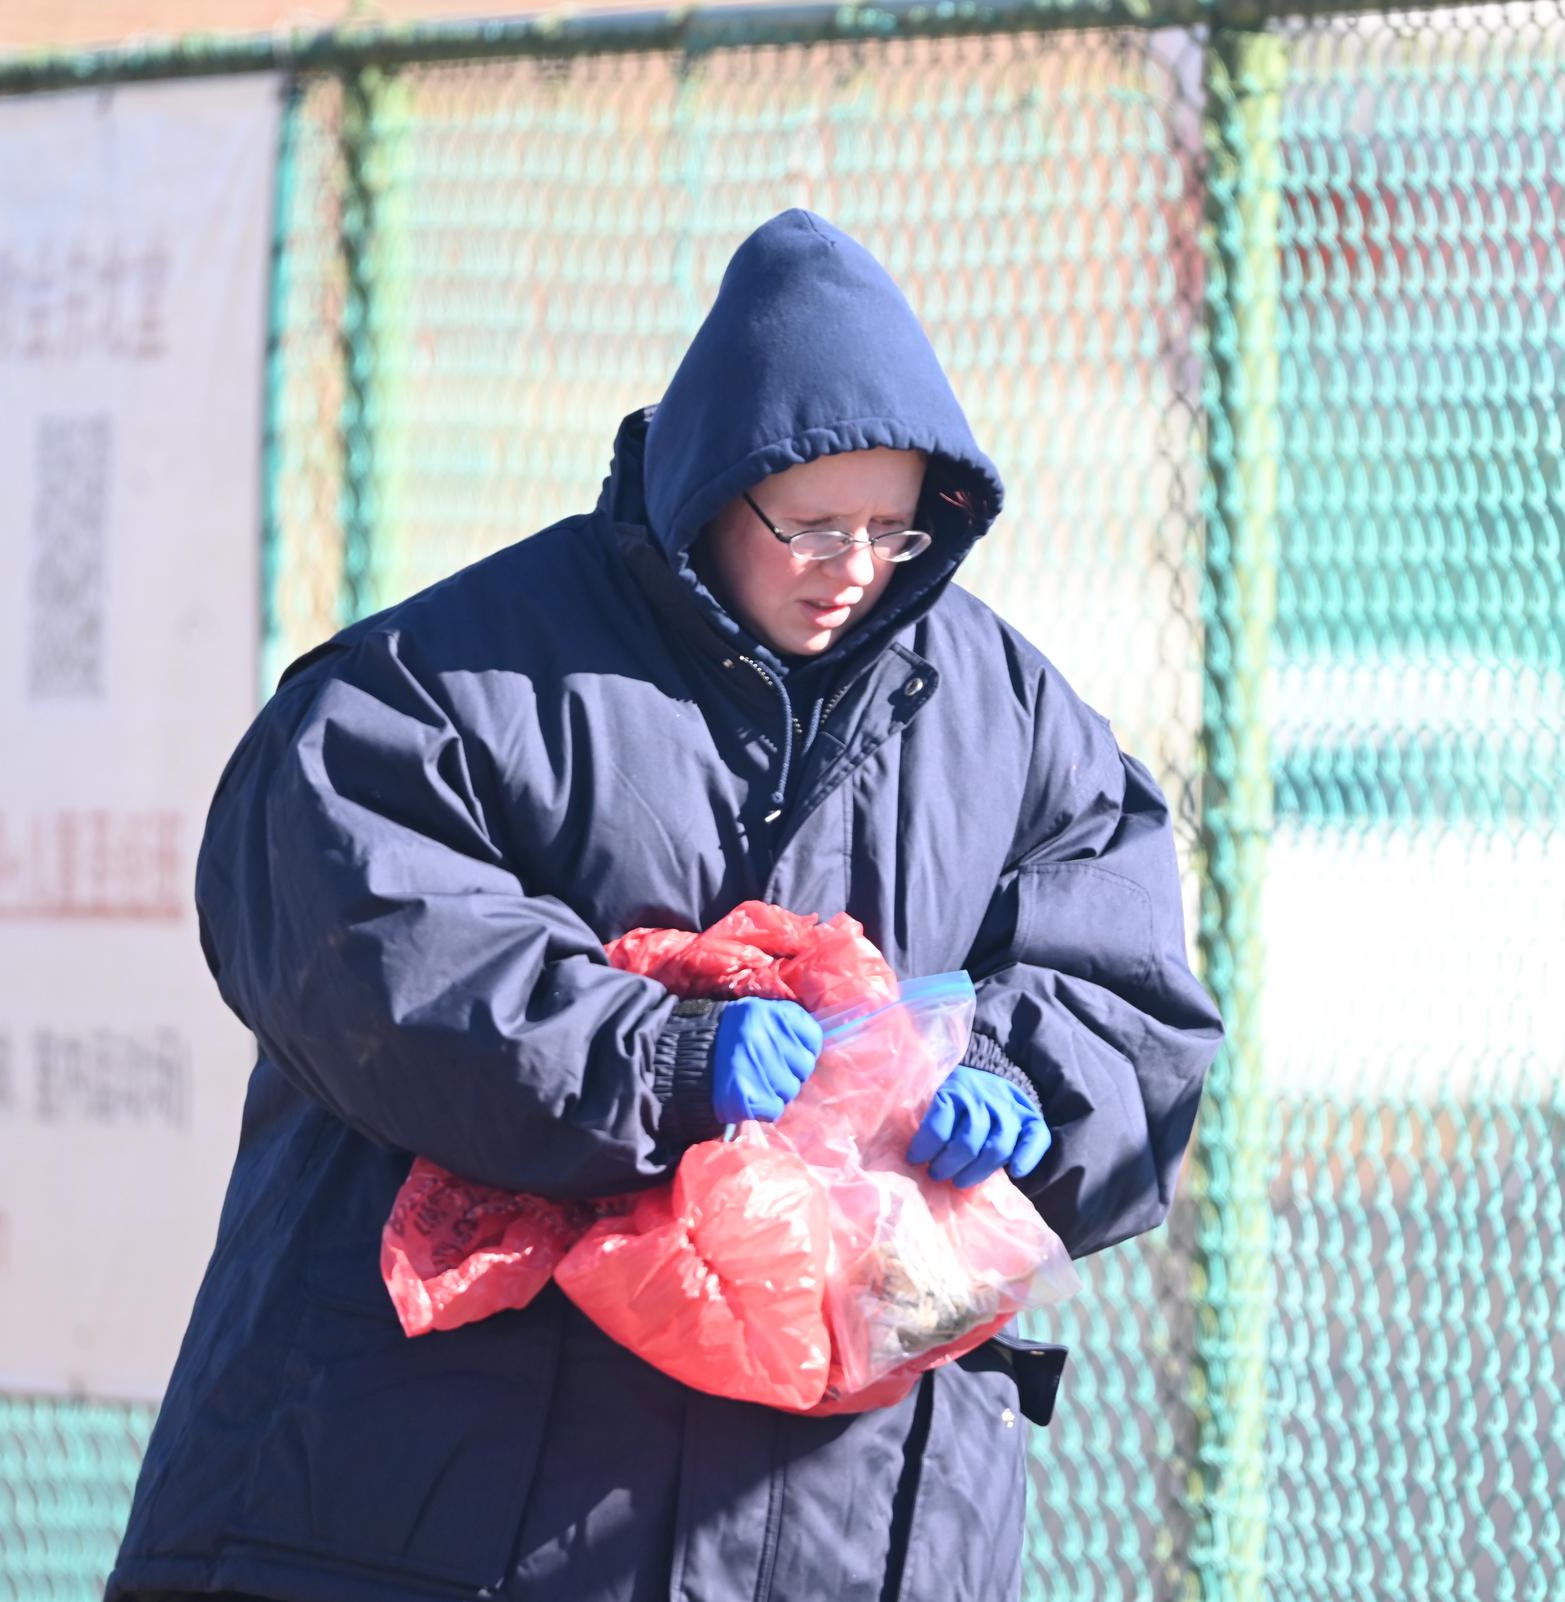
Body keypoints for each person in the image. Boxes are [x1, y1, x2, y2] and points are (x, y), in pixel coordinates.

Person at [104, 208, 1222, 1602]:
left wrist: (1019, 1082)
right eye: (811, 524)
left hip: (841, 1521)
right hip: (455, 1516)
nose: (854, 567)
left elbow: (1130, 999)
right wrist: (656, 1053)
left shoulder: (1014, 717)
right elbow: (356, 936)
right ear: (712, 489)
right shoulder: (452, 683)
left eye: (893, 526)